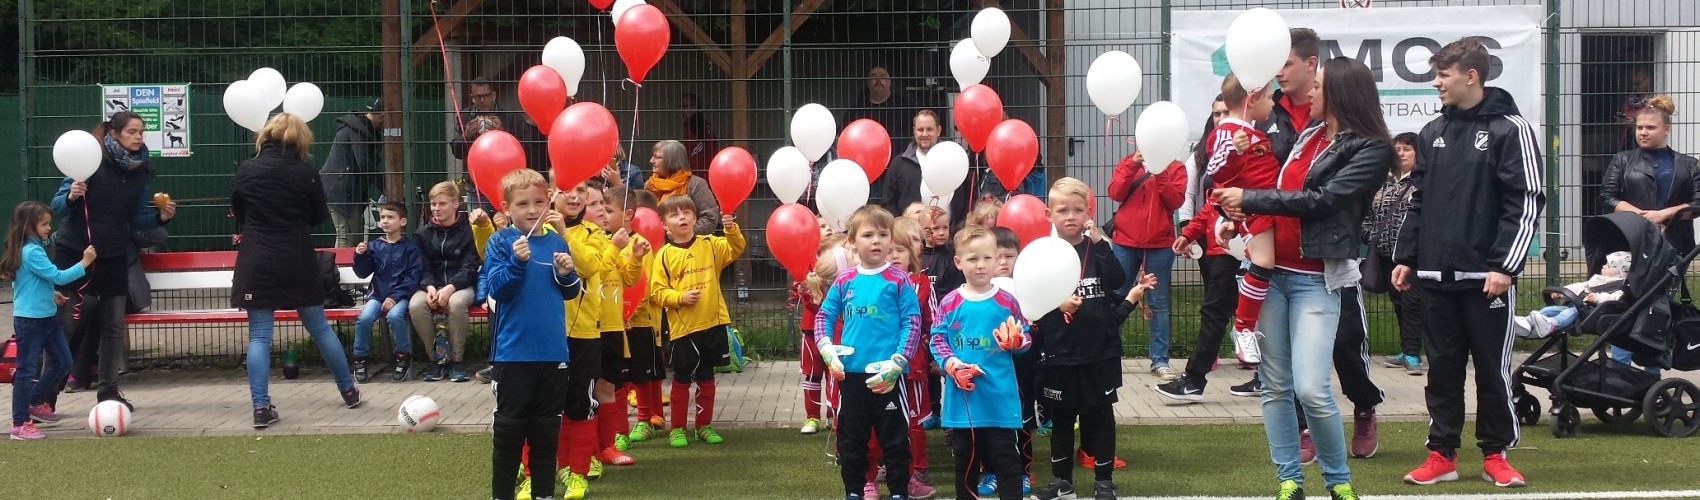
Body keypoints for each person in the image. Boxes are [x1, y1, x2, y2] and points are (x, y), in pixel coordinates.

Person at [1213, 56, 1390, 500]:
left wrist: (1251, 197)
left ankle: (1339, 482)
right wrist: (1239, 213)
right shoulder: (1307, 135)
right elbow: (1275, 190)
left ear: (1341, 93)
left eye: (1320, 85)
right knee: (1276, 387)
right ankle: (1289, 479)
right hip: (1270, 277)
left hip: (1315, 279)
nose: (1310, 91)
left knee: (1312, 388)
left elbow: (1323, 200)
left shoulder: (1370, 148)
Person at [1391, 37, 1543, 489]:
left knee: (1492, 370)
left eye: (1443, 75)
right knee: (1442, 369)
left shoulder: (1509, 129)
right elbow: (1417, 200)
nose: (1436, 83)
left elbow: (1525, 202)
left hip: (1487, 279)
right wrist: (1407, 256)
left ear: (1470, 76)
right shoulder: (1431, 132)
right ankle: (1442, 454)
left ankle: (1496, 454)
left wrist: (1505, 266)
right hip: (1435, 276)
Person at [231, 113, 363, 428]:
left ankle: (261, 408)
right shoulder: (306, 172)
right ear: (300, 139)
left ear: (267, 135)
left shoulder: (247, 169)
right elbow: (317, 216)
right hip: (296, 257)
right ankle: (348, 390)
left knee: (260, 335)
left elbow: (239, 210)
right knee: (319, 328)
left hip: (257, 258)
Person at [51, 110, 176, 411]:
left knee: (113, 326)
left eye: (141, 132)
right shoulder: (91, 161)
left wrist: (160, 217)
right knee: (66, 325)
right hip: (76, 254)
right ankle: (45, 394)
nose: (138, 137)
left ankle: (108, 392)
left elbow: (136, 219)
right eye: (132, 131)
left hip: (114, 254)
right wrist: (71, 197)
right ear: (115, 133)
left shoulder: (140, 169)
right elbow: (56, 207)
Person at [482, 168, 582, 500]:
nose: (532, 210)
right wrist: (516, 262)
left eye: (539, 201)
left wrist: (567, 274)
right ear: (507, 208)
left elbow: (569, 292)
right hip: (514, 354)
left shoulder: (557, 240)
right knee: (509, 431)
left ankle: (543, 494)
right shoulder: (500, 241)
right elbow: (498, 291)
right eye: (523, 203)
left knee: (546, 431)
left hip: (553, 353)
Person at [813, 205, 923, 500]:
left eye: (883, 234)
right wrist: (826, 349)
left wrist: (898, 362)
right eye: (868, 234)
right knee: (851, 441)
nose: (877, 240)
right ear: (852, 242)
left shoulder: (900, 281)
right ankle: (854, 491)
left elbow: (912, 323)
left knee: (896, 440)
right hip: (851, 377)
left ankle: (899, 492)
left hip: (886, 378)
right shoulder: (844, 280)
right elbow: (823, 317)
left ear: (891, 240)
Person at [1030, 178, 1129, 500]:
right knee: (1061, 420)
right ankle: (1062, 482)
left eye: (1078, 210)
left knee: (1100, 415)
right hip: (1060, 352)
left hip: (1100, 350)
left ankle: (1103, 480)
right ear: (1049, 214)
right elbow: (1032, 301)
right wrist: (1057, 303)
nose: (1070, 216)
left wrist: (1101, 242)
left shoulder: (1096, 248)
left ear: (1089, 213)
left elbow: (1117, 279)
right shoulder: (1043, 253)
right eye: (1062, 210)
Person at [930, 226, 1033, 500]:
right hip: (963, 404)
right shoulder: (950, 302)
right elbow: (937, 340)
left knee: (1008, 464)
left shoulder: (1008, 301)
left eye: (988, 258)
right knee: (965, 466)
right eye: (973, 259)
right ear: (958, 262)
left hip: (1000, 400)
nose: (981, 265)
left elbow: (1025, 337)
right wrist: (952, 365)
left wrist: (1017, 342)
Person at [1155, 97, 1243, 403]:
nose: (1220, 119)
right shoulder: (1210, 154)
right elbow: (1211, 202)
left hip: (1252, 245)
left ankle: (1196, 379)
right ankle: (1195, 378)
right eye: (1216, 114)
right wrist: (1190, 232)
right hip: (1221, 248)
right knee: (1217, 309)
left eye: (1226, 112)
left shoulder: (1253, 150)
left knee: (1247, 312)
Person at [1601, 95, 1695, 371]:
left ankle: (1650, 374)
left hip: (1672, 248)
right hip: (1628, 245)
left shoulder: (1687, 165)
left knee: (1658, 307)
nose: (1643, 132)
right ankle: (1619, 374)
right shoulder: (1623, 160)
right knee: (1624, 305)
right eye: (1640, 127)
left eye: (1650, 128)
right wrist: (1643, 217)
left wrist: (1665, 214)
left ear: (1666, 129)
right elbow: (1607, 197)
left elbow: (1697, 202)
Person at [649, 194, 746, 448]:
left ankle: (703, 426)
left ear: (694, 217)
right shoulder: (663, 255)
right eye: (674, 214)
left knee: (707, 378)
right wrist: (679, 297)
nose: (681, 217)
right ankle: (677, 428)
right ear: (664, 224)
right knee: (682, 379)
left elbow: (735, 248)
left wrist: (730, 228)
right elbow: (657, 291)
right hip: (683, 329)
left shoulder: (711, 244)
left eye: (686, 212)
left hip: (713, 324)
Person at [1205, 73, 1280, 367]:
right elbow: (1216, 168)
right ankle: (1244, 326)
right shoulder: (1228, 131)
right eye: (1270, 97)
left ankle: (1247, 325)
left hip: (1269, 205)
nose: (1273, 104)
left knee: (1264, 263)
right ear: (1254, 98)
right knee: (1263, 262)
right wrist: (1236, 151)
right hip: (1256, 206)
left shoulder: (1249, 129)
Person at [4, 201, 95, 440]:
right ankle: (19, 423)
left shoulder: (31, 248)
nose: (48, 228)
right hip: (30, 321)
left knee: (63, 361)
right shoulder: (31, 251)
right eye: (43, 223)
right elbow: (58, 276)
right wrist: (85, 262)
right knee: (26, 371)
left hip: (46, 317)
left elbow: (29, 281)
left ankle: (35, 401)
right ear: (28, 226)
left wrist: (50, 294)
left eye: (48, 223)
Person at [1108, 150, 1186, 381]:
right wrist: (1132, 165)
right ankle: (1110, 355)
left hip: (1160, 243)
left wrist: (1160, 172)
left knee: (1158, 301)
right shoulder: (1128, 162)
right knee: (1117, 296)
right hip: (1125, 241)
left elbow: (1175, 201)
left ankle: (1160, 360)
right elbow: (1115, 192)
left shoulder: (1176, 168)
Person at [1365, 133, 1427, 375]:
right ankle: (1405, 348)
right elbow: (1368, 215)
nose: (1400, 153)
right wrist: (1372, 237)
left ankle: (1413, 354)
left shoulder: (1422, 183)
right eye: (1397, 148)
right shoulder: (1383, 183)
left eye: (1407, 149)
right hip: (1385, 255)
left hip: (1411, 258)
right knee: (1398, 304)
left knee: (1412, 303)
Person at [409, 181, 481, 383]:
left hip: (461, 285)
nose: (436, 209)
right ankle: (438, 360)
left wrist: (450, 288)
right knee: (416, 304)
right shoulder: (423, 233)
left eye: (442, 204)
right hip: (431, 284)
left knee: (456, 303)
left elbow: (470, 266)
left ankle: (457, 361)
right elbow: (422, 266)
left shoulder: (469, 230)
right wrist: (430, 287)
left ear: (456, 204)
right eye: (433, 204)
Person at [592, 185, 641, 468]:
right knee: (584, 391)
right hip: (587, 329)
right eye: (596, 205)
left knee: (608, 388)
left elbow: (629, 279)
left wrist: (634, 257)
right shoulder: (581, 240)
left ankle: (606, 447)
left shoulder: (612, 241)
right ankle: (585, 450)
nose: (601, 210)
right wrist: (615, 248)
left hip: (612, 327)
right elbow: (592, 271)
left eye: (605, 205)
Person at [350, 201, 423, 384]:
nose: (385, 221)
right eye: (382, 217)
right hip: (377, 294)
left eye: (390, 217)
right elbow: (362, 272)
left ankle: (402, 356)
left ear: (403, 221)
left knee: (395, 316)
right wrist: (359, 256)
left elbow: (412, 277)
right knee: (365, 318)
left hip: (401, 296)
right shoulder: (374, 246)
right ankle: (359, 359)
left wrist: (394, 297)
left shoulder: (410, 248)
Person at [622, 189, 668, 443]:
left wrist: (629, 313)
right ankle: (630, 423)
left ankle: (646, 419)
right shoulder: (607, 242)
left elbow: (644, 285)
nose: (603, 215)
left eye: (608, 210)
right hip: (616, 322)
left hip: (639, 321)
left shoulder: (640, 244)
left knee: (644, 371)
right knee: (625, 375)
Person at [1512, 251, 1632, 340]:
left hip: (1593, 313)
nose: (1603, 266)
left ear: (1618, 272)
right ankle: (1527, 323)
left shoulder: (1620, 286)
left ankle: (1552, 324)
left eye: (1608, 266)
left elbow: (1616, 298)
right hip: (1580, 307)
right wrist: (1564, 292)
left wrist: (1598, 297)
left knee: (1568, 313)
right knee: (1550, 309)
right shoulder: (1600, 280)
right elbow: (1581, 286)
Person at [320, 98, 386, 247]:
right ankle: (339, 269)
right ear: (382, 116)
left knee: (350, 233)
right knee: (346, 234)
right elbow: (364, 164)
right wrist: (385, 186)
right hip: (340, 190)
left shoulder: (360, 128)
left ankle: (341, 267)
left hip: (342, 188)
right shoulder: (358, 130)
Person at [882, 110, 971, 221]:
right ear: (914, 131)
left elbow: (968, 197)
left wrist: (959, 226)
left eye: (929, 129)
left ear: (938, 131)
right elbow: (888, 203)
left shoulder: (955, 161)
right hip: (911, 235)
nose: (925, 134)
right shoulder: (899, 164)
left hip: (950, 234)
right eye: (920, 130)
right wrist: (902, 229)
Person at [451, 79, 548, 175]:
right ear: (472, 98)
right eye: (477, 97)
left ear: (493, 95)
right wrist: (466, 135)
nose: (482, 100)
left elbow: (526, 149)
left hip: (507, 175)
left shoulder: (511, 116)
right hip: (476, 178)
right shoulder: (465, 116)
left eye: (485, 96)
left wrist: (503, 133)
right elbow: (457, 152)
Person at [645, 140, 722, 236]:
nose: (651, 161)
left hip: (689, 246)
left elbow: (710, 219)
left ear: (672, 160)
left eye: (658, 157)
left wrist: (682, 234)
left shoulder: (695, 184)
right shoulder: (649, 185)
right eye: (653, 156)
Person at [680, 93, 720, 177]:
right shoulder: (705, 123)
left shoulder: (695, 124)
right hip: (711, 168)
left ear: (695, 107)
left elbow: (697, 150)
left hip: (701, 171)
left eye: (685, 106)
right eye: (681, 106)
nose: (682, 110)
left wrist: (690, 171)